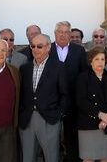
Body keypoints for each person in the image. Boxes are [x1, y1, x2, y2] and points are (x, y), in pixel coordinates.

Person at [19, 34, 69, 162]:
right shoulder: (25, 68)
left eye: (39, 46)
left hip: (49, 120)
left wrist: (59, 114)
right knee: (27, 158)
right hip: (27, 120)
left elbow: (65, 93)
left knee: (51, 157)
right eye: (33, 46)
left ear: (48, 48)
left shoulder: (58, 67)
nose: (35, 49)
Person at [49, 21, 88, 162]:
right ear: (55, 33)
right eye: (60, 32)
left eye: (67, 32)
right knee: (51, 138)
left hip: (73, 103)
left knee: (72, 137)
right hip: (52, 102)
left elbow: (84, 76)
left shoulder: (79, 51)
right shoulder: (48, 49)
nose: (63, 35)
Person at [76, 48, 107, 162]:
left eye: (102, 59)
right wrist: (100, 115)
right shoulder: (83, 78)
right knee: (88, 158)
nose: (100, 62)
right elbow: (81, 101)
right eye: (96, 59)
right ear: (90, 61)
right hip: (88, 124)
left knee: (106, 158)